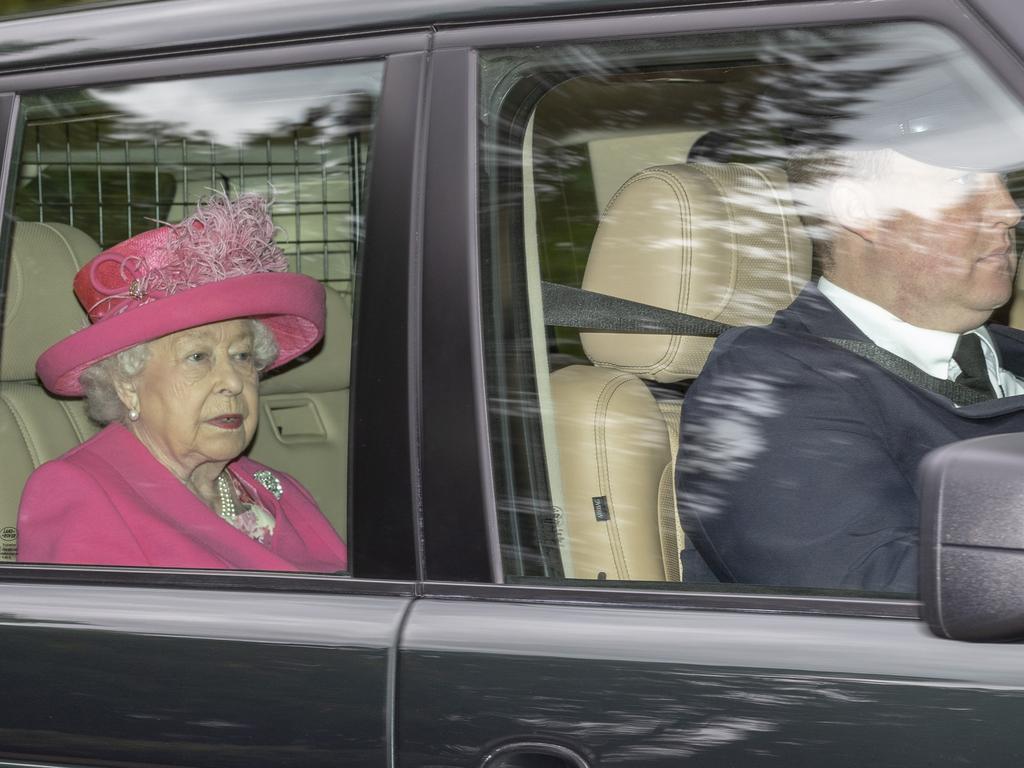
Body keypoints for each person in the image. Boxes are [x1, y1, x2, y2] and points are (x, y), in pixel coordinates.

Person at [676, 141, 1024, 594]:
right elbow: (871, 595)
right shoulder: (769, 386)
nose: (1009, 210)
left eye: (1004, 182)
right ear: (860, 210)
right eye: (962, 182)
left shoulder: (1010, 351)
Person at [17, 193, 348, 572]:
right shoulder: (80, 491)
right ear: (127, 383)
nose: (233, 383)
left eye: (241, 356)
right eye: (198, 357)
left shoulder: (274, 487)